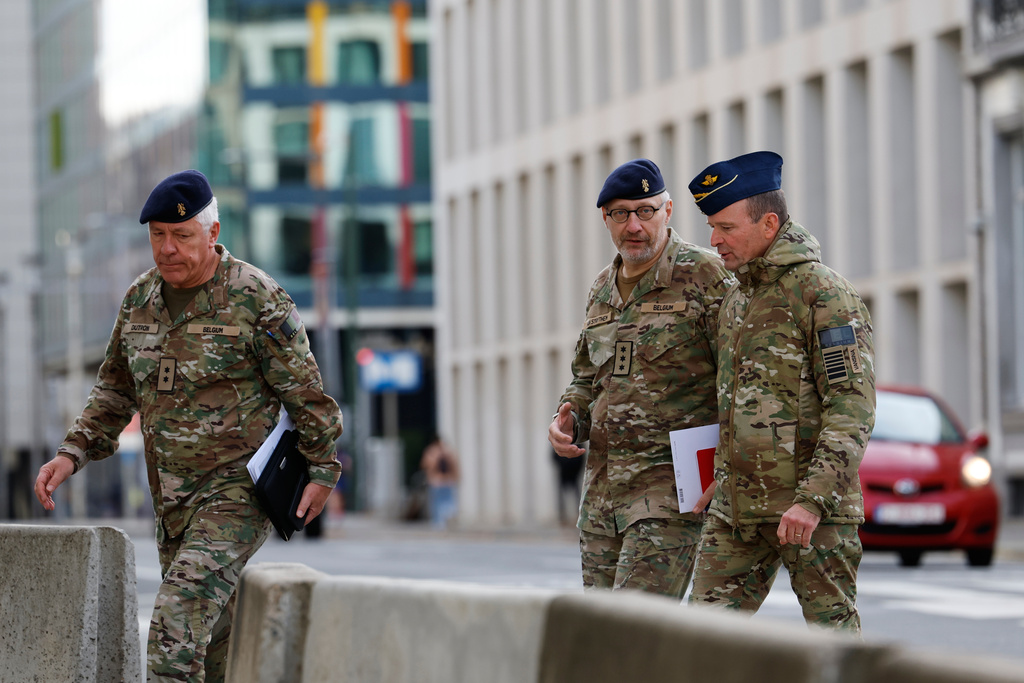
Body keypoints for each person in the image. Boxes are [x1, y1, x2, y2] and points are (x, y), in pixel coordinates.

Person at [34, 170, 344, 681]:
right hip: (172, 502)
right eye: (158, 235)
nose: (168, 249)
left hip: (237, 495)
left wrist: (322, 470)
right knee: (216, 647)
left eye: (182, 236)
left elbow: (306, 395)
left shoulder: (257, 298)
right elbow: (114, 390)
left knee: (173, 631)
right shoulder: (140, 301)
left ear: (213, 234)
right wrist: (71, 454)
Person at [685, 151, 875, 633]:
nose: (714, 240)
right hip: (736, 514)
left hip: (811, 516)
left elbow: (851, 407)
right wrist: (721, 472)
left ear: (769, 223)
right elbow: (735, 401)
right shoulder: (735, 297)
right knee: (697, 643)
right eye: (712, 226)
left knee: (833, 646)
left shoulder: (823, 293)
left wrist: (812, 501)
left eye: (726, 226)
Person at [548, 158, 734, 598]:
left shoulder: (708, 276)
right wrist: (568, 417)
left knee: (637, 629)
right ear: (606, 220)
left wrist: (726, 470)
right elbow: (586, 376)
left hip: (671, 493)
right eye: (620, 214)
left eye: (645, 211)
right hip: (603, 496)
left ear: (667, 211)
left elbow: (739, 378)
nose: (633, 225)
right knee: (602, 638)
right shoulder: (601, 289)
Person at [420, 435, 459, 529]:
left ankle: (440, 522)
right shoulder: (448, 452)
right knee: (446, 503)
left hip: (438, 481)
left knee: (439, 504)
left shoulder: (432, 452)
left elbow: (426, 465)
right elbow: (455, 466)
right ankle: (443, 520)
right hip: (445, 481)